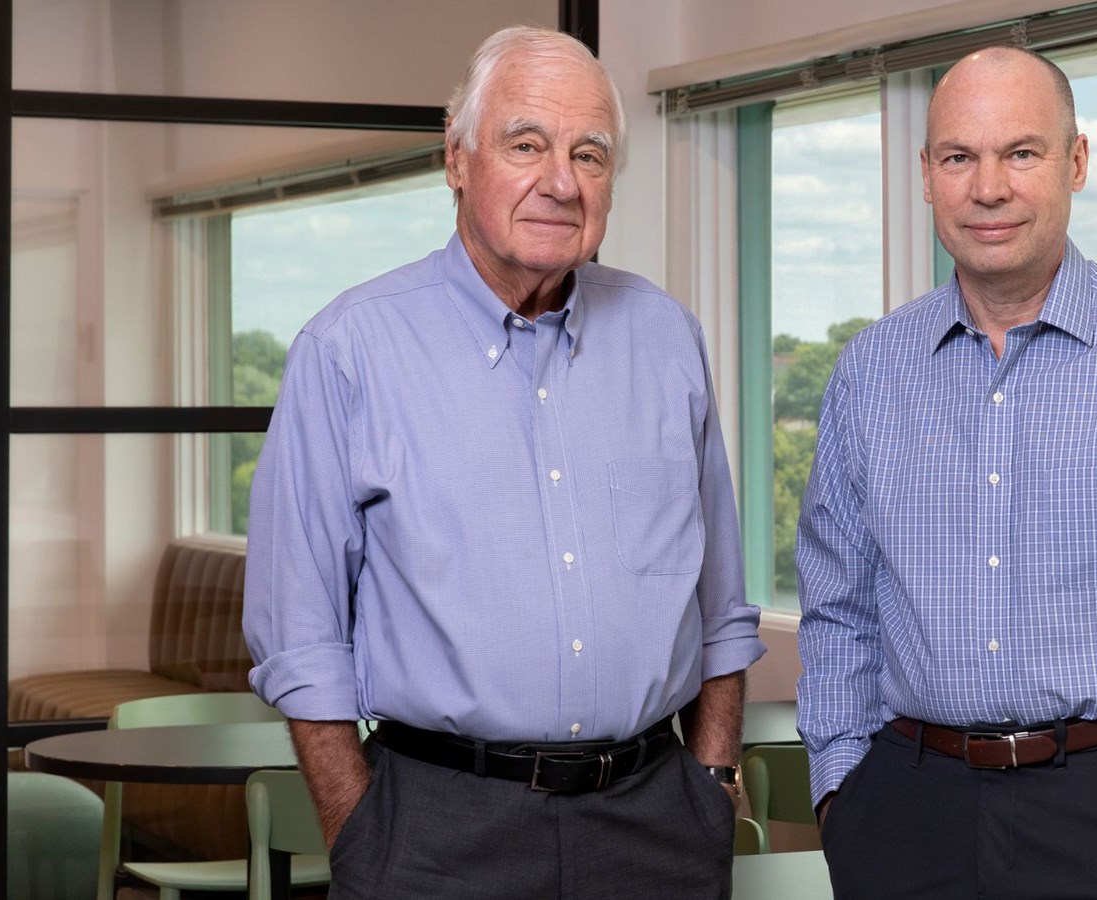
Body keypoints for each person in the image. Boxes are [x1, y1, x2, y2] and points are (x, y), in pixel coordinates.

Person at [243, 26, 764, 900]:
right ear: (457, 158)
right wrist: (358, 830)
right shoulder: (349, 352)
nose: (560, 181)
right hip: (436, 832)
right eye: (526, 145)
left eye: (589, 154)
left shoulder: (669, 339)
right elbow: (300, 634)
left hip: (656, 827)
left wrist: (710, 781)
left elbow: (721, 607)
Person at [796, 46, 1097, 899]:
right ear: (926, 176)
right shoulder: (869, 371)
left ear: (1077, 163)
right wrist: (844, 793)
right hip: (902, 815)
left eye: (1021, 153)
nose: (988, 187)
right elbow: (837, 608)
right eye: (959, 157)